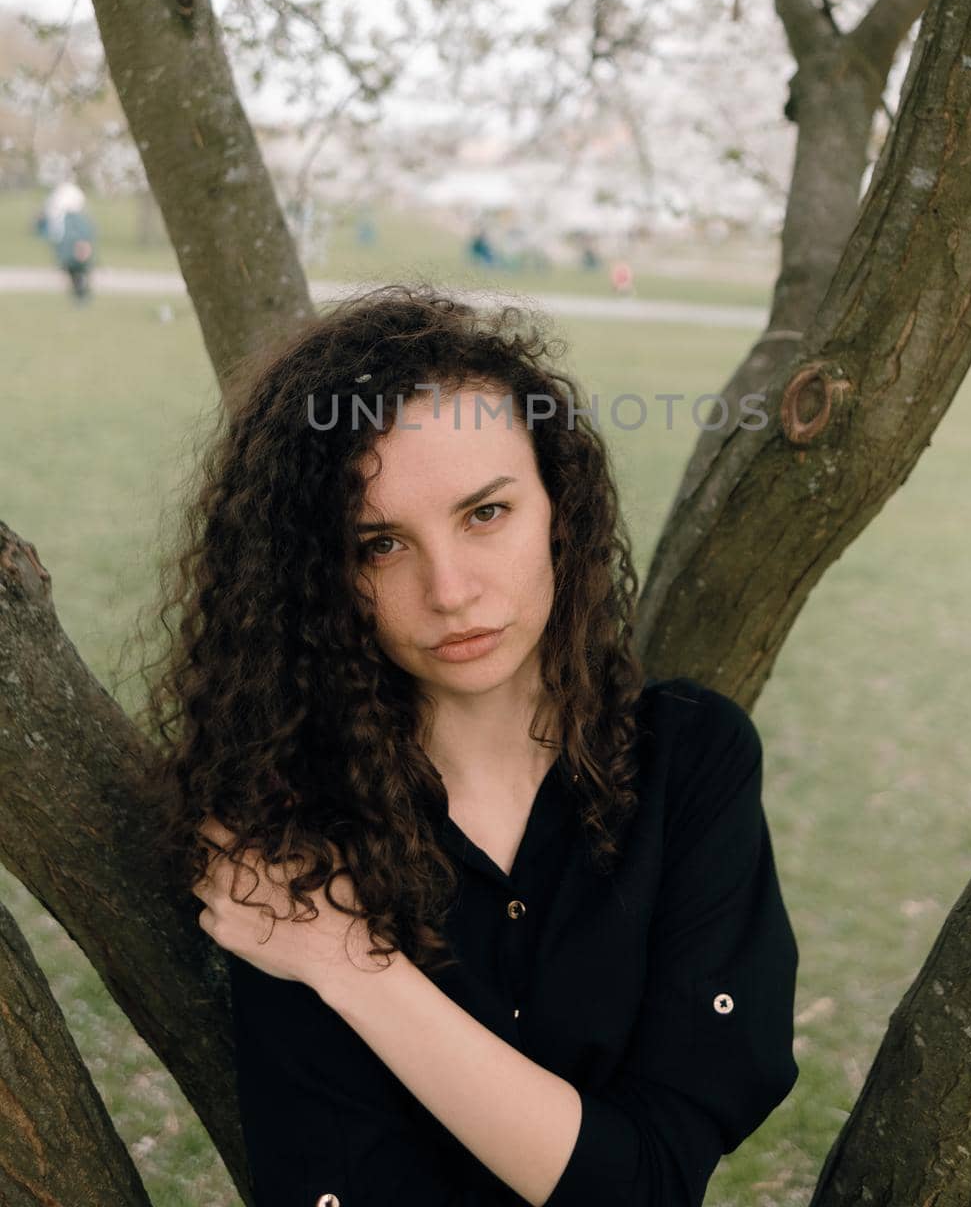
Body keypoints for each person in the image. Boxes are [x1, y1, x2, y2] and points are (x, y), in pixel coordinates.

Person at [137, 284, 799, 1207]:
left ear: (558, 508)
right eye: (379, 545)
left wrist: (347, 967)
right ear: (319, 575)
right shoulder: (282, 829)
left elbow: (654, 1178)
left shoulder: (690, 758)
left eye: (485, 514)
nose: (448, 590)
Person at [35, 181, 97, 302]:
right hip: (72, 255)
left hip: (76, 254)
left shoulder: (73, 218)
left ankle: (82, 295)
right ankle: (80, 295)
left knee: (79, 274)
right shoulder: (69, 217)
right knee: (76, 274)